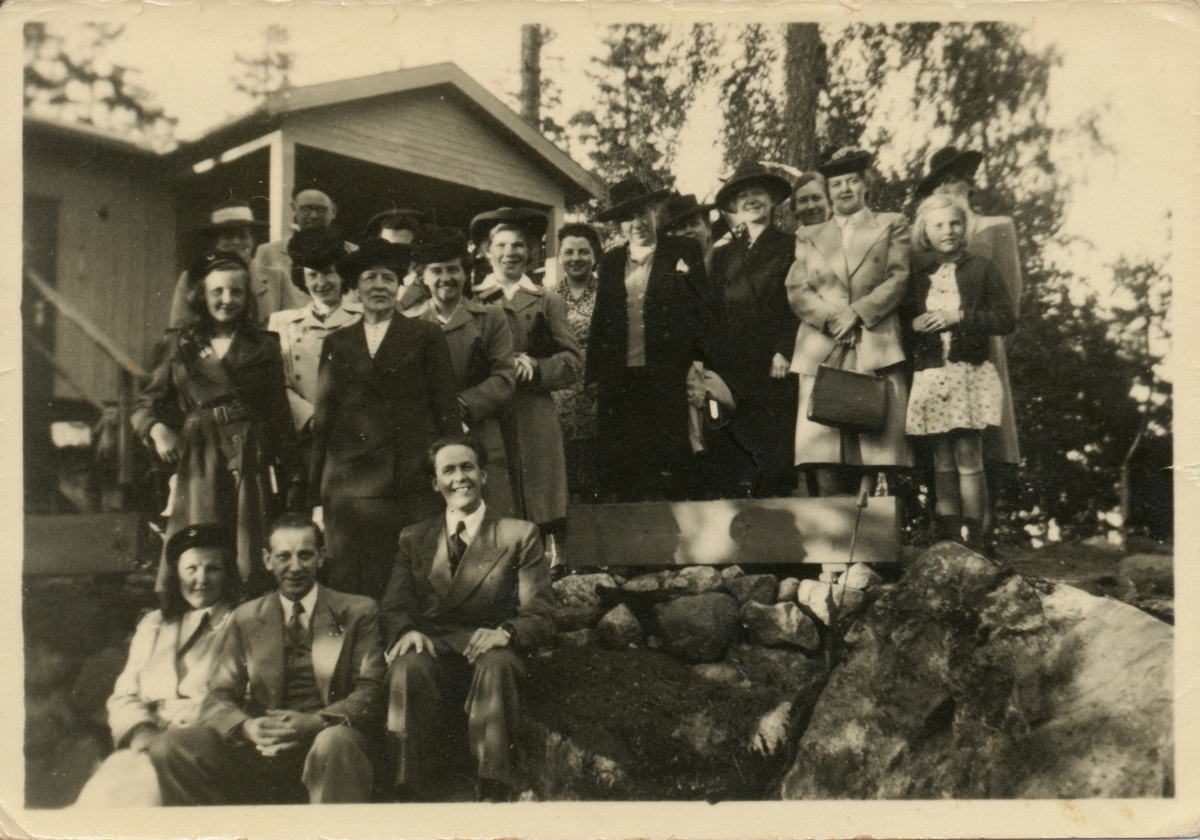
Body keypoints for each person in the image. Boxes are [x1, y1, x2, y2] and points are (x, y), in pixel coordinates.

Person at [150, 513, 384, 805]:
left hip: (328, 740)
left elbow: (371, 690)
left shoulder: (357, 611)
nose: (295, 567)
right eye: (284, 556)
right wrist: (249, 728)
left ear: (322, 557)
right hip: (263, 748)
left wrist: (315, 722)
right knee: (173, 746)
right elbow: (218, 695)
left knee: (334, 742)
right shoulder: (246, 617)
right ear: (267, 559)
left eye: (305, 555)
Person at [379, 436, 556, 802]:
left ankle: (493, 787)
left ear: (484, 475)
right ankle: (409, 791)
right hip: (437, 650)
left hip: (493, 652)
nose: (459, 478)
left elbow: (541, 614)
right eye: (448, 471)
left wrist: (506, 632)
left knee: (495, 665)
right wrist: (407, 631)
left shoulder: (518, 534)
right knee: (407, 667)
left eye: (467, 467)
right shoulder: (414, 538)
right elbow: (393, 607)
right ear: (435, 483)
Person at [134, 252, 299, 595]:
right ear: (201, 296)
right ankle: (193, 610)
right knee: (200, 543)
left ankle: (248, 612)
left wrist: (294, 475)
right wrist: (156, 429)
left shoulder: (264, 344)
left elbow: (279, 415)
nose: (227, 300)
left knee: (249, 548)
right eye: (218, 292)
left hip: (248, 455)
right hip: (200, 456)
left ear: (247, 296)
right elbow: (145, 403)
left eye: (236, 291)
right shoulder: (179, 343)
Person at [309, 239, 460, 600]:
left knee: (411, 582)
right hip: (351, 487)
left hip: (410, 481)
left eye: (388, 278)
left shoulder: (425, 335)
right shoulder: (337, 342)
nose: (379, 286)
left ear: (399, 286)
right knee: (352, 586)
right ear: (355, 288)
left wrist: (452, 477)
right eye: (370, 278)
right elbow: (324, 420)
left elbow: (446, 410)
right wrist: (314, 494)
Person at [74, 524, 240, 807]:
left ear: (227, 574)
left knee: (138, 797)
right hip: (148, 738)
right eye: (191, 569)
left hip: (201, 742)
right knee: (106, 790)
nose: (201, 579)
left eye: (213, 569)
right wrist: (140, 731)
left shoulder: (242, 621)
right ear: (177, 573)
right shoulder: (155, 624)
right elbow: (124, 695)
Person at [785, 147, 914, 496]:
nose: (845, 189)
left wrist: (856, 313)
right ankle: (834, 525)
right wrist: (832, 318)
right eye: (837, 183)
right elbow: (797, 288)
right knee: (823, 450)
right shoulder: (809, 235)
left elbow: (898, 278)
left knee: (873, 448)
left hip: (873, 341)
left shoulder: (891, 224)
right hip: (823, 346)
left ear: (865, 184)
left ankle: (868, 523)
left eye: (852, 181)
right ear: (828, 191)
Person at [913, 146, 1023, 545]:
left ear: (969, 183)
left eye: (953, 179)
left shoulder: (989, 242)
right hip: (934, 369)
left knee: (972, 450)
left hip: (974, 360)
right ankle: (947, 536)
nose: (947, 188)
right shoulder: (923, 266)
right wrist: (917, 323)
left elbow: (1008, 308)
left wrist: (962, 319)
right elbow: (910, 310)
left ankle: (978, 537)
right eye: (939, 183)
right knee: (942, 455)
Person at [587, 177, 716, 501]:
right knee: (628, 466)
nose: (637, 224)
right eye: (627, 218)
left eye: (642, 213)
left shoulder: (682, 250)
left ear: (655, 211)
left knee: (672, 461)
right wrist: (594, 378)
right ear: (619, 225)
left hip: (669, 374)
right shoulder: (611, 261)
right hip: (622, 378)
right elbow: (601, 320)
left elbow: (702, 310)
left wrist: (699, 363)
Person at [472, 209, 581, 542]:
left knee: (539, 504)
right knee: (494, 498)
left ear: (530, 251)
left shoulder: (547, 300)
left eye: (518, 245)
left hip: (533, 415)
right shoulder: (472, 299)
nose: (510, 253)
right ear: (486, 252)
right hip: (488, 413)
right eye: (501, 245)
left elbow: (572, 362)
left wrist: (535, 366)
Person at [403, 227, 518, 517]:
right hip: (428, 438)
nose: (446, 278)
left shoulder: (491, 318)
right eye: (436, 271)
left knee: (491, 522)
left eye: (453, 269)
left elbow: (504, 377)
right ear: (423, 277)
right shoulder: (408, 324)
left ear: (466, 273)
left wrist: (461, 406)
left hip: (481, 436)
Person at [706, 160, 799, 498]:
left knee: (774, 452)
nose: (751, 200)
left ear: (772, 199)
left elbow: (798, 302)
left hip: (773, 365)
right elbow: (714, 310)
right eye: (743, 195)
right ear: (734, 205)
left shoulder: (792, 245)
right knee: (737, 451)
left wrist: (785, 349)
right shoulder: (724, 255)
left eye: (758, 192)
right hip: (733, 366)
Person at [266, 227, 363, 445]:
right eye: (312, 275)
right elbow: (277, 383)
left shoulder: (364, 318)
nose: (321, 283)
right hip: (305, 436)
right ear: (302, 279)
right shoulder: (283, 323)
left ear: (342, 274)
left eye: (328, 272)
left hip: (355, 434)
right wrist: (309, 418)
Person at [250, 186, 358, 325]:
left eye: (320, 209)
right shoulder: (268, 252)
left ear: (333, 211)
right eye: (306, 209)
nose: (313, 216)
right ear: (294, 209)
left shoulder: (354, 252)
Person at [550, 223, 603, 502]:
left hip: (598, 394)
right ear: (560, 256)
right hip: (559, 398)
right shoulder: (548, 297)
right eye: (568, 252)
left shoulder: (610, 292)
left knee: (598, 478)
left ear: (595, 255)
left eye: (583, 251)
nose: (576, 258)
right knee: (564, 479)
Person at [166, 201, 275, 328]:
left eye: (243, 236)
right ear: (215, 242)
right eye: (228, 236)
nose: (236, 242)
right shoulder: (190, 279)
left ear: (253, 240)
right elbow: (179, 329)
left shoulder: (277, 278)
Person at [363, 207, 428, 307]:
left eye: (403, 248)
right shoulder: (362, 286)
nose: (395, 254)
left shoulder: (429, 286)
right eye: (387, 247)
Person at [659, 193, 718, 268]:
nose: (688, 231)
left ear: (708, 230)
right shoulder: (670, 271)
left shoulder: (725, 261)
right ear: (674, 236)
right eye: (681, 227)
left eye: (694, 224)